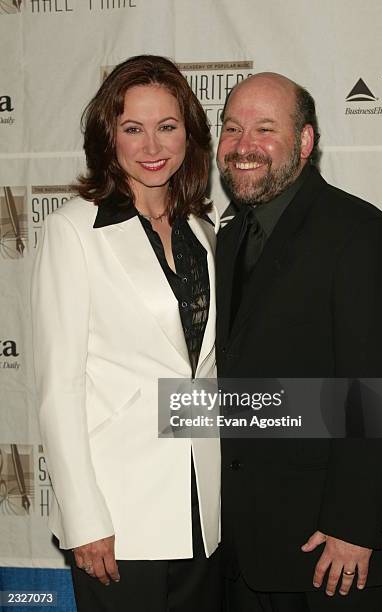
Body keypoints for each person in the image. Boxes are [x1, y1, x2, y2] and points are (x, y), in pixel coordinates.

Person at [31, 55, 221, 612]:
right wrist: (84, 517)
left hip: (202, 509)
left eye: (167, 126)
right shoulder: (74, 231)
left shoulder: (203, 231)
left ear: (189, 133)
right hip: (119, 513)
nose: (151, 145)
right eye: (132, 129)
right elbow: (58, 389)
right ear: (107, 138)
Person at [216, 72, 382, 611]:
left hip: (333, 556)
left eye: (264, 129)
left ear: (304, 142)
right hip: (247, 550)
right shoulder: (228, 239)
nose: (243, 145)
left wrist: (354, 525)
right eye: (232, 129)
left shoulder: (361, 235)